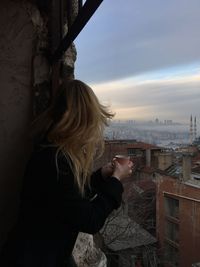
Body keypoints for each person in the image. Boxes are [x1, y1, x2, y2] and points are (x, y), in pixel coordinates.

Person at [0, 79, 133, 267]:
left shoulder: (51, 151)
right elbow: (89, 220)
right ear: (82, 121)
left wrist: (100, 176)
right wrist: (116, 181)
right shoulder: (55, 161)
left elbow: (68, 198)